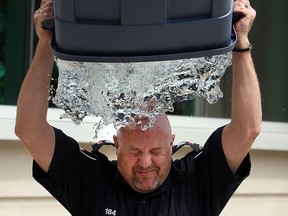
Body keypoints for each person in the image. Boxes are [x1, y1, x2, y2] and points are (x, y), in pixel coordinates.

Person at [15, 0, 262, 215]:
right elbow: (29, 131)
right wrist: (45, 45)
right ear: (117, 144)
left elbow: (247, 130)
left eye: (155, 150)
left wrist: (241, 42)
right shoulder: (89, 181)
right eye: (134, 151)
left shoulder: (199, 180)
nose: (145, 163)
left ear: (171, 143)